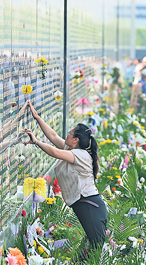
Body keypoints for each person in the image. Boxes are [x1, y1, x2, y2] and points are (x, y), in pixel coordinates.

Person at [25, 102, 107, 248]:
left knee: (96, 249)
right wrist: (37, 118)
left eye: (70, 132)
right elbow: (53, 136)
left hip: (90, 205)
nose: (67, 134)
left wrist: (36, 141)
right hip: (86, 205)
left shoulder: (80, 154)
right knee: (92, 249)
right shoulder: (71, 149)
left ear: (76, 139)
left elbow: (55, 153)